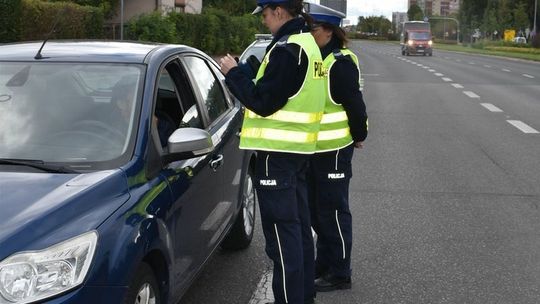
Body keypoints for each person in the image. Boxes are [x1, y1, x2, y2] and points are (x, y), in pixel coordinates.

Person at [219, 1, 325, 303]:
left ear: (279, 11)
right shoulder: (306, 43)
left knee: (282, 240)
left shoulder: (287, 49)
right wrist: (250, 69)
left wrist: (233, 73)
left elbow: (264, 102)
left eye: (265, 15)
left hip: (277, 157)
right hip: (298, 153)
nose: (264, 21)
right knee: (300, 232)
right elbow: (286, 89)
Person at [305, 3, 368, 292]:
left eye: (313, 29)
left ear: (328, 31)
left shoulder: (339, 63)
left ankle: (341, 272)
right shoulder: (316, 57)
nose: (309, 33)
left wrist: (359, 134)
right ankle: (325, 262)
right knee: (317, 210)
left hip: (334, 150)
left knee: (333, 211)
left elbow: (355, 105)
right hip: (315, 149)